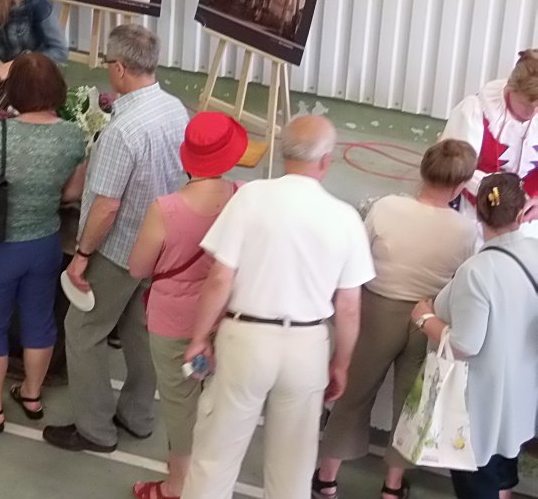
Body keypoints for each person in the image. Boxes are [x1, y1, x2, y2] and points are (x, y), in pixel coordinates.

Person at [181, 116, 375, 499]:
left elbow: (220, 278)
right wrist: (340, 364)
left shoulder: (250, 197)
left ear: (284, 153)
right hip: (307, 347)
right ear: (326, 160)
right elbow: (349, 307)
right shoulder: (346, 218)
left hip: (246, 340)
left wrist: (200, 338)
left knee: (215, 458)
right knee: (292, 471)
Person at [42, 24, 190, 453]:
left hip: (119, 249)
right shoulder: (175, 109)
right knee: (140, 330)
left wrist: (82, 254)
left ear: (121, 68)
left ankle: (95, 429)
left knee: (83, 329)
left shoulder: (122, 131)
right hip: (160, 245)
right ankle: (138, 415)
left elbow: (106, 206)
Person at [313, 140, 479, 499]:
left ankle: (327, 478)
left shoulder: (386, 208)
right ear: (461, 186)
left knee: (353, 394)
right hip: (427, 317)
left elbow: (357, 256)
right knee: (410, 405)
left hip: (378, 309)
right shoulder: (467, 230)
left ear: (423, 170)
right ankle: (392, 486)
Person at [0, 53, 87, 434]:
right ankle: (31, 394)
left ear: (15, 92)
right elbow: (72, 193)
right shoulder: (72, 135)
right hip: (44, 243)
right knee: (40, 321)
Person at [127, 112, 249, 499]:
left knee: (180, 401)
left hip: (173, 320)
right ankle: (209, 476)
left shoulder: (166, 208)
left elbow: (139, 267)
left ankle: (177, 483)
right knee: (219, 400)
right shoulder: (242, 196)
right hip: (226, 316)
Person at [412, 172, 538, 499]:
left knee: (477, 482)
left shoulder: (476, 271)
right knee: (504, 468)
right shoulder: (535, 252)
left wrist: (424, 317)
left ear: (479, 213)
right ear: (522, 213)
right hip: (521, 394)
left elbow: (465, 344)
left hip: (480, 405)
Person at [442, 50, 538, 224]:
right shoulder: (476, 111)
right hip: (477, 209)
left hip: (530, 213)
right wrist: (498, 194)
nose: (533, 113)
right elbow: (454, 168)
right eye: (525, 105)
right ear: (511, 88)